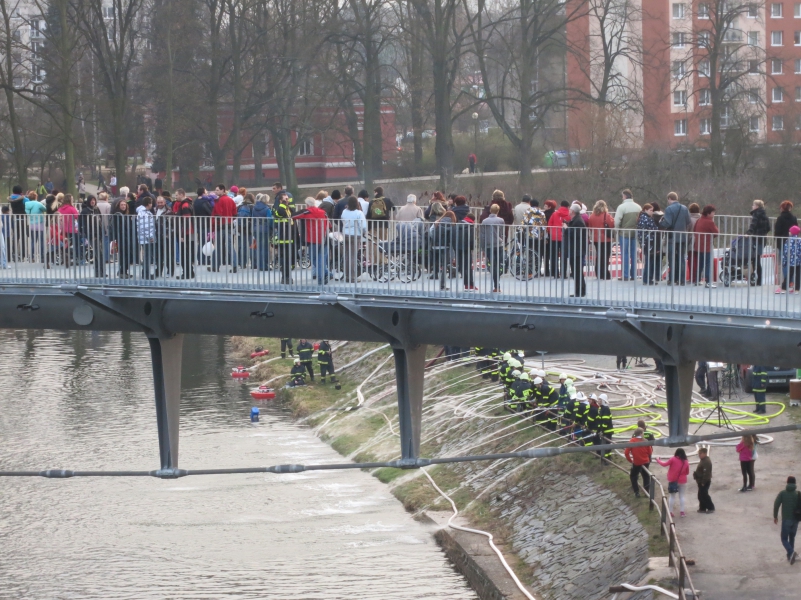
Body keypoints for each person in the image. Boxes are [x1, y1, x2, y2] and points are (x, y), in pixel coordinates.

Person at [659, 192, 691, 285]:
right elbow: (688, 221)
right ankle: (682, 280)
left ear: (669, 198)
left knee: (672, 259)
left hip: (672, 237)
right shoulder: (685, 208)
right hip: (682, 237)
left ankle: (673, 279)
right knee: (681, 258)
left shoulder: (669, 209)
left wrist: (661, 223)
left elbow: (668, 223)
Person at [614, 189, 641, 281]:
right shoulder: (638, 207)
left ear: (624, 196)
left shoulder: (621, 207)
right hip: (635, 233)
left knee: (625, 254)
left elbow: (617, 221)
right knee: (634, 254)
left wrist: (617, 230)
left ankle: (625, 275)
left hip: (624, 233)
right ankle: (634, 275)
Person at [210, 185, 237, 272]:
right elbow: (234, 213)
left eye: (217, 190)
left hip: (220, 226)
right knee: (230, 246)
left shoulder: (218, 201)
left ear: (223, 190)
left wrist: (213, 224)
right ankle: (234, 265)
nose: (215, 192)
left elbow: (217, 214)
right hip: (228, 225)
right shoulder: (230, 200)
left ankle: (215, 266)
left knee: (217, 247)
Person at [656, 448, 690, 517]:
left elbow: (664, 464)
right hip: (682, 480)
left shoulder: (673, 459)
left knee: (672, 496)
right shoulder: (686, 461)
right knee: (682, 496)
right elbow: (687, 472)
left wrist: (658, 460)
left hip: (673, 480)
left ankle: (671, 512)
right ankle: (682, 512)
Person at [773, 475, 800, 564]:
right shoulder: (798, 494)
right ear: (795, 483)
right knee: (792, 537)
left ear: (787, 482)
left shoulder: (783, 493)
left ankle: (791, 552)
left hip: (786, 519)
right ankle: (790, 556)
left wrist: (775, 516)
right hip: (795, 519)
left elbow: (776, 504)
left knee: (784, 538)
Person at [341, 196, 367, 283]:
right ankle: (352, 277)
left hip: (345, 234)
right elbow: (363, 225)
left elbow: (342, 220)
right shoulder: (359, 213)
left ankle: (347, 275)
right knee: (353, 256)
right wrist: (364, 232)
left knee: (347, 255)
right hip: (355, 235)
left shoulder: (344, 212)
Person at [564, 202, 587, 297]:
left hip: (577, 250)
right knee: (576, 271)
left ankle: (580, 291)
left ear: (572, 211)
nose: (569, 211)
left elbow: (576, 234)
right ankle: (580, 291)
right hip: (575, 249)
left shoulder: (578, 221)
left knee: (577, 271)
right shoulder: (576, 220)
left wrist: (566, 229)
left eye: (570, 210)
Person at [481, 203, 505, 293]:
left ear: (490, 210)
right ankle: (497, 285)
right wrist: (502, 240)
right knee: (498, 264)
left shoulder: (484, 221)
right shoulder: (501, 220)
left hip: (488, 245)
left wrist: (483, 247)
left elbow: (482, 235)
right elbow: (502, 233)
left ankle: (496, 285)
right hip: (499, 244)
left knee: (492, 265)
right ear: (498, 211)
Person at [587, 200, 614, 280]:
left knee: (599, 255)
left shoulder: (592, 216)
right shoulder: (606, 215)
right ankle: (605, 273)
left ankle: (598, 273)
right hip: (606, 239)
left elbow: (590, 226)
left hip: (596, 239)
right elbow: (611, 224)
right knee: (605, 256)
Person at [693, 204, 719, 288]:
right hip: (707, 245)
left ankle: (697, 280)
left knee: (700, 263)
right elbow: (716, 232)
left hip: (698, 245)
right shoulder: (709, 222)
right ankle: (708, 281)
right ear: (709, 213)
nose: (714, 214)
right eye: (713, 212)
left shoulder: (699, 220)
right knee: (708, 263)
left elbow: (694, 230)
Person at [748, 199, 771, 286]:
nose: (752, 206)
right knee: (757, 258)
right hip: (762, 239)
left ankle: (755, 278)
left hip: (755, 238)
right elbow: (768, 227)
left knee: (754, 260)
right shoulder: (764, 215)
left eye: (753, 205)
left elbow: (753, 225)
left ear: (757, 206)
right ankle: (759, 280)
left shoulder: (756, 214)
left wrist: (749, 233)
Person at [274, 192, 295, 284]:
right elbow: (278, 214)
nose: (288, 200)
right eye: (285, 199)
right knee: (284, 258)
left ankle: (288, 277)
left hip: (289, 236)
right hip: (283, 238)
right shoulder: (280, 208)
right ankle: (284, 277)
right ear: (280, 201)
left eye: (288, 199)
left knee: (288, 258)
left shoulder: (288, 208)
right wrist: (282, 204)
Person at [625, 428, 653, 497]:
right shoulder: (646, 441)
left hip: (637, 462)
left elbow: (626, 453)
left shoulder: (632, 441)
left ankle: (636, 492)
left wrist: (630, 460)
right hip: (645, 462)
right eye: (643, 433)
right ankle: (647, 492)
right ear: (640, 433)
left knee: (633, 476)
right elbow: (650, 452)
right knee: (646, 476)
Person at [547, 200, 571, 277]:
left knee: (554, 255)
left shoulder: (555, 214)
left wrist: (551, 233)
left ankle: (555, 273)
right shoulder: (569, 215)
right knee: (564, 256)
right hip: (564, 237)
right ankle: (563, 273)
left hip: (554, 237)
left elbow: (549, 224)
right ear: (568, 207)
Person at [136, 196, 156, 279]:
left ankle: (145, 272)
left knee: (146, 256)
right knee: (147, 256)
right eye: (151, 203)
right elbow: (146, 227)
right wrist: (150, 237)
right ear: (149, 204)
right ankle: (146, 274)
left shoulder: (141, 212)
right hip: (146, 238)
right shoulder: (145, 213)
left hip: (143, 237)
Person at [779, 225, 801, 293]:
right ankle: (797, 289)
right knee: (798, 274)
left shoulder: (789, 240)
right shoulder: (799, 240)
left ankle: (784, 288)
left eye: (789, 231)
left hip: (791, 260)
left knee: (789, 274)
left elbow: (786, 251)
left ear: (791, 232)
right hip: (799, 260)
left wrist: (784, 261)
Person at [694, 447, 715, 513]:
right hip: (700, 481)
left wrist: (703, 482)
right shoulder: (703, 460)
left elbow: (706, 473)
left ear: (705, 453)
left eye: (700, 453)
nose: (699, 455)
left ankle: (711, 507)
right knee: (701, 495)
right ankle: (702, 508)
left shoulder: (706, 462)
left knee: (704, 495)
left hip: (704, 481)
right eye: (699, 453)